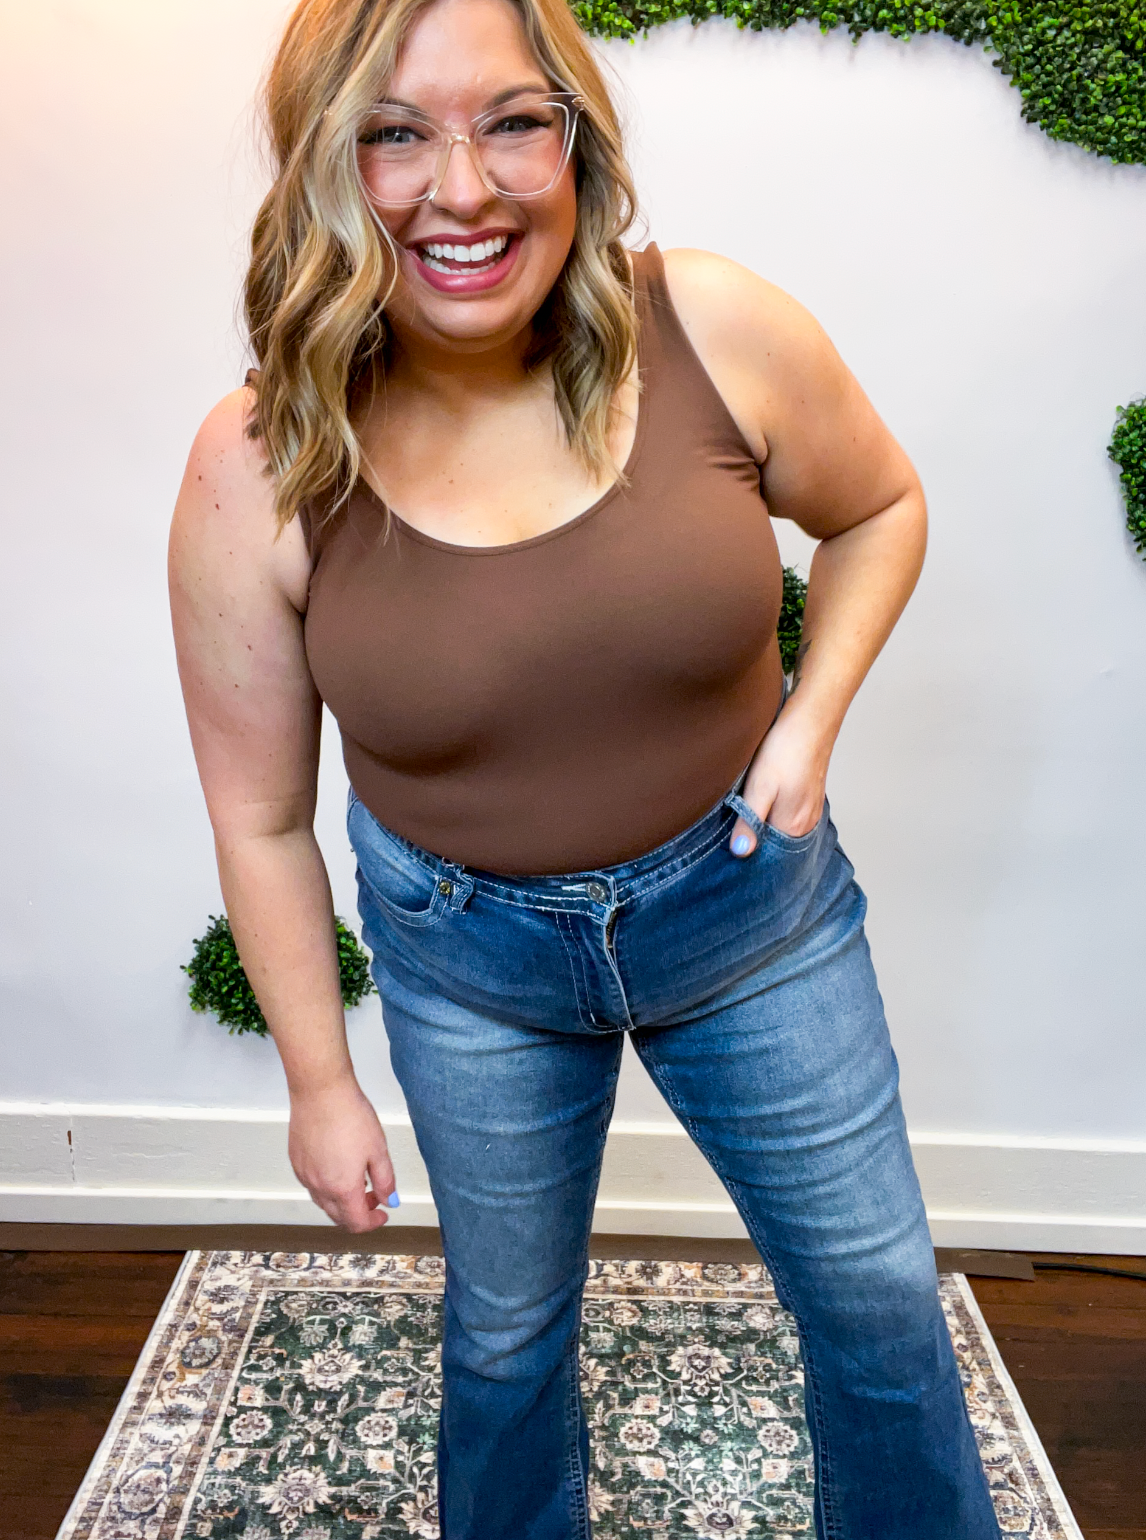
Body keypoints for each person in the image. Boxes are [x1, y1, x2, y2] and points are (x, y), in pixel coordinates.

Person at [169, 0, 1003, 1534]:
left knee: (878, 1300)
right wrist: (319, 1084)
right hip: (468, 970)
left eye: (510, 121)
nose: (464, 187)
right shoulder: (260, 461)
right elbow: (260, 813)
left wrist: (809, 718)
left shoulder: (717, 325)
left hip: (752, 922)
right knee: (503, 1340)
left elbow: (878, 507)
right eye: (394, 133)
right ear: (325, 168)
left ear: (575, 137)